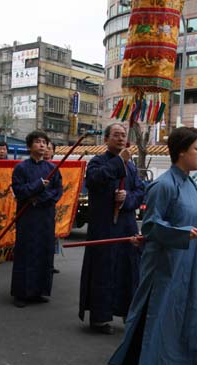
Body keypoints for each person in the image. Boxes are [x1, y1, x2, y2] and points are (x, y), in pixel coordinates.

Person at [109, 127, 197, 365]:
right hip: (164, 265)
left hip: (188, 264)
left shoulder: (190, 184)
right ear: (181, 151)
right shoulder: (164, 185)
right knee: (153, 315)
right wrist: (180, 233)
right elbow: (151, 225)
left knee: (193, 317)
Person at [79, 123, 144, 334]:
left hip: (126, 225)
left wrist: (127, 198)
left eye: (123, 135)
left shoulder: (131, 167)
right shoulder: (97, 162)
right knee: (103, 270)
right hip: (104, 225)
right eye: (116, 135)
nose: (121, 138)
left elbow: (140, 191)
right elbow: (94, 181)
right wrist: (119, 162)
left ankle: (127, 313)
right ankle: (100, 318)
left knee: (128, 270)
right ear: (106, 139)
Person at [10, 131, 62, 307]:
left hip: (46, 215)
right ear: (29, 146)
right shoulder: (21, 168)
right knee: (26, 252)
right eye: (38, 142)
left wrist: (39, 198)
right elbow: (19, 190)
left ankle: (39, 291)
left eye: (44, 142)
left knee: (44, 252)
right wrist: (37, 185)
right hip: (28, 217)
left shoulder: (52, 168)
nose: (42, 145)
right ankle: (21, 293)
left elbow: (58, 191)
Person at [43, 140, 61, 274]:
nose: (46, 150)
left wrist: (49, 199)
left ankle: (49, 264)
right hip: (34, 208)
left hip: (49, 207)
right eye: (45, 147)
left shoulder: (55, 168)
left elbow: (58, 189)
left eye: (49, 148)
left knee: (49, 238)